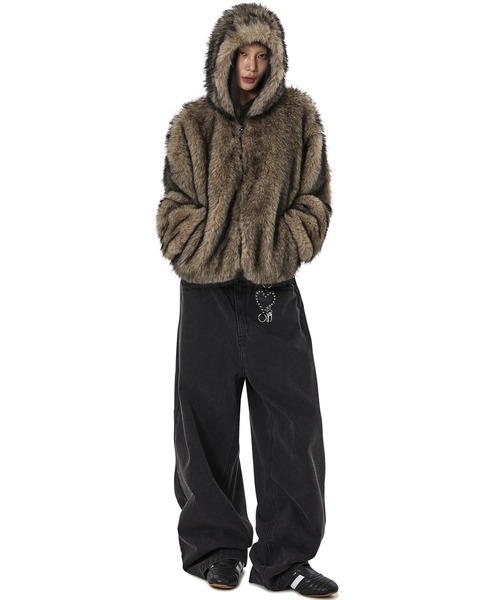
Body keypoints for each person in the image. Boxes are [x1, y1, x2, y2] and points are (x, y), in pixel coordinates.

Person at [156, 3, 338, 596]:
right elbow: (173, 208)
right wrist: (208, 244)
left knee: (291, 423)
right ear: (223, 58)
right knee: (203, 420)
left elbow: (315, 202)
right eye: (243, 55)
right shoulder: (192, 126)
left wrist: (277, 246)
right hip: (205, 294)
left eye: (263, 55)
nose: (253, 66)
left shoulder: (300, 118)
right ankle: (218, 549)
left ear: (276, 60)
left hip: (271, 293)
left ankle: (286, 559)